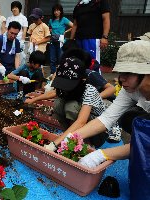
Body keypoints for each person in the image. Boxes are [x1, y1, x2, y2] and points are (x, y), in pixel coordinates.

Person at [64, 40, 150, 200]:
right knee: (129, 119)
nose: (120, 79)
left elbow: (146, 145)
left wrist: (101, 154)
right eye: (120, 72)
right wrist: (73, 137)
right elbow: (106, 119)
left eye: (128, 73)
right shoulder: (131, 89)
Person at [48, 4, 73, 75]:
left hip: (61, 42)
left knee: (61, 58)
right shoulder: (51, 20)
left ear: (61, 11)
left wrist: (66, 32)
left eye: (58, 10)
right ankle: (52, 74)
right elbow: (49, 28)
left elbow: (73, 26)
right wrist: (50, 31)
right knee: (52, 59)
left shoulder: (64, 19)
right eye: (55, 11)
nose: (56, 12)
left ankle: (61, 73)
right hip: (52, 41)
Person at [6, 1, 28, 66]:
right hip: (10, 39)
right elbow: (6, 29)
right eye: (13, 8)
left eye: (16, 7)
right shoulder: (9, 18)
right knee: (10, 55)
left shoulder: (23, 18)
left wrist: (22, 40)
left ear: (19, 8)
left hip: (19, 40)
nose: (14, 9)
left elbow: (24, 30)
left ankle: (18, 70)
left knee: (19, 56)